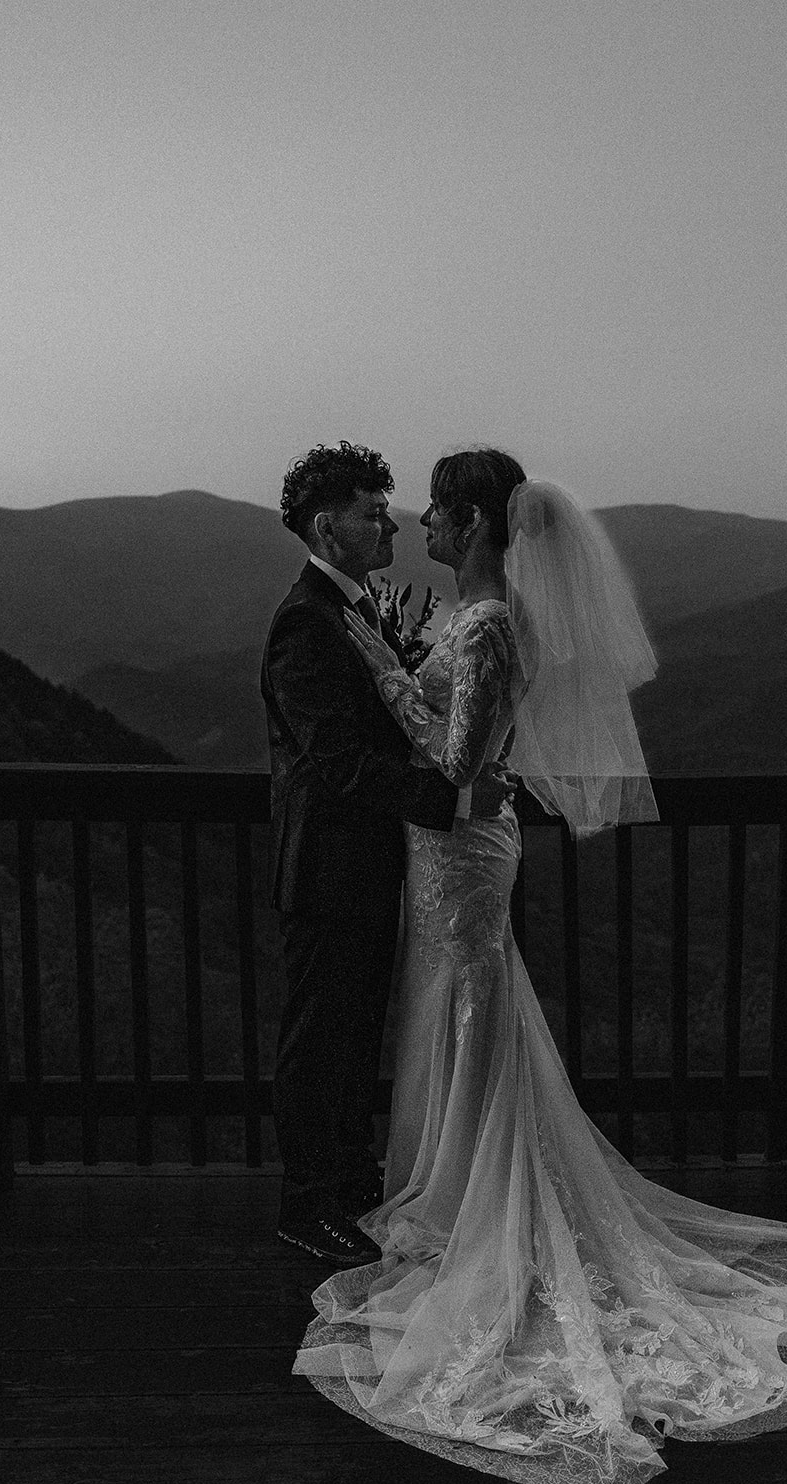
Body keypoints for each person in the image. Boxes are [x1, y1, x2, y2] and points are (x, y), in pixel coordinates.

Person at [291, 447, 787, 1484]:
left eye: (432, 508)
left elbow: (458, 760)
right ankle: (452, 1180)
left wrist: (383, 677)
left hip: (459, 851)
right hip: (451, 850)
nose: (417, 521)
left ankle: (468, 1195)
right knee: (458, 1007)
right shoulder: (481, 617)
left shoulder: (492, 622)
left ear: (469, 521)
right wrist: (399, 669)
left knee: (470, 1004)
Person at [261, 441, 509, 1266]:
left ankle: (350, 1179)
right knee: (319, 1037)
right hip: (328, 867)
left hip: (377, 863)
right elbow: (335, 762)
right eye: (373, 512)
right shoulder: (306, 621)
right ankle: (306, 1204)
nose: (390, 524)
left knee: (356, 1032)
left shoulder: (357, 605)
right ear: (328, 527)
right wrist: (451, 799)